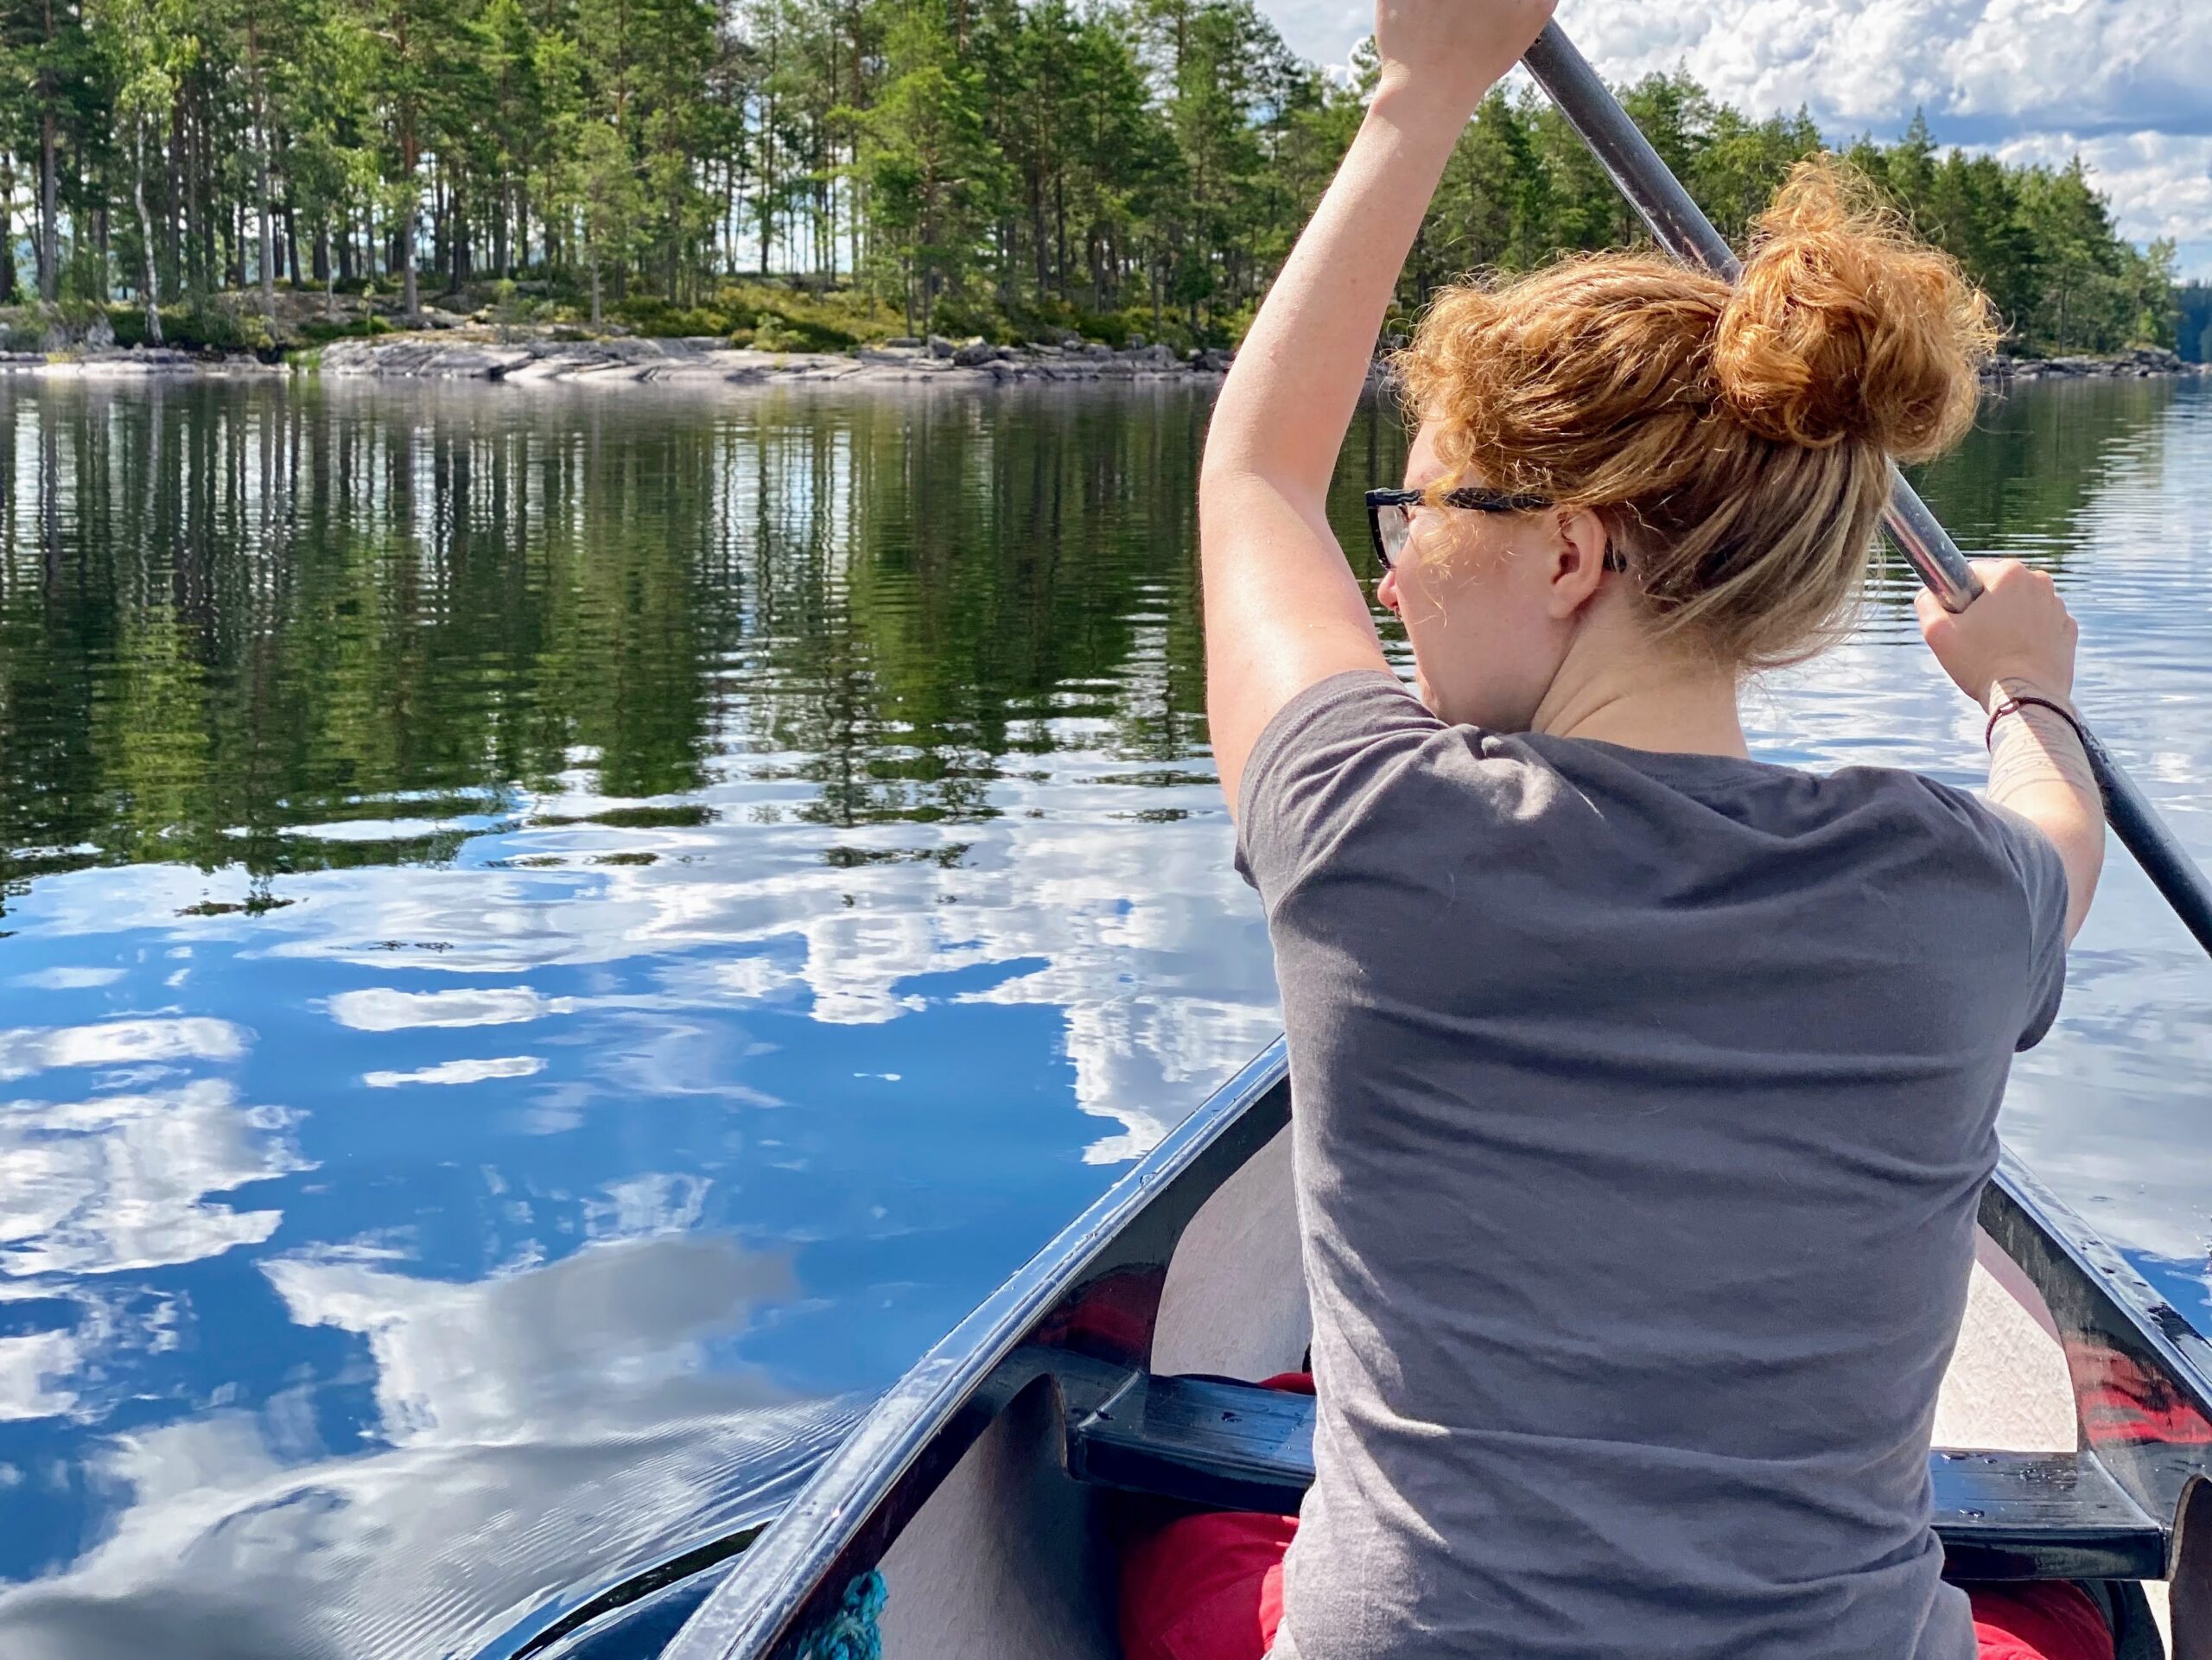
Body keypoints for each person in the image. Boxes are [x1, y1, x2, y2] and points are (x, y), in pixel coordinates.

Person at [1118, 0, 2113, 1657]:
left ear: (1569, 555)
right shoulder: (1960, 893)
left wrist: (1420, 89)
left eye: (1419, 508)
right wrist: (2026, 687)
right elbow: (2058, 822)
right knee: (2071, 1628)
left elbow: (1253, 484)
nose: (1386, 565)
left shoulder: (1367, 829)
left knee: (1188, 1553)